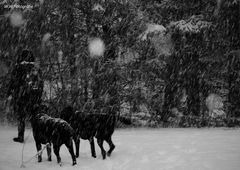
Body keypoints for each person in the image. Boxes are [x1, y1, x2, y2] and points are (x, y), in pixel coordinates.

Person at [6, 49, 43, 143]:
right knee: (34, 117)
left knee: (21, 117)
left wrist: (10, 93)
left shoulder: (18, 67)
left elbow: (13, 82)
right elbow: (40, 83)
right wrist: (39, 96)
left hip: (21, 96)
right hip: (33, 97)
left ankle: (21, 136)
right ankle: (38, 136)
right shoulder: (35, 68)